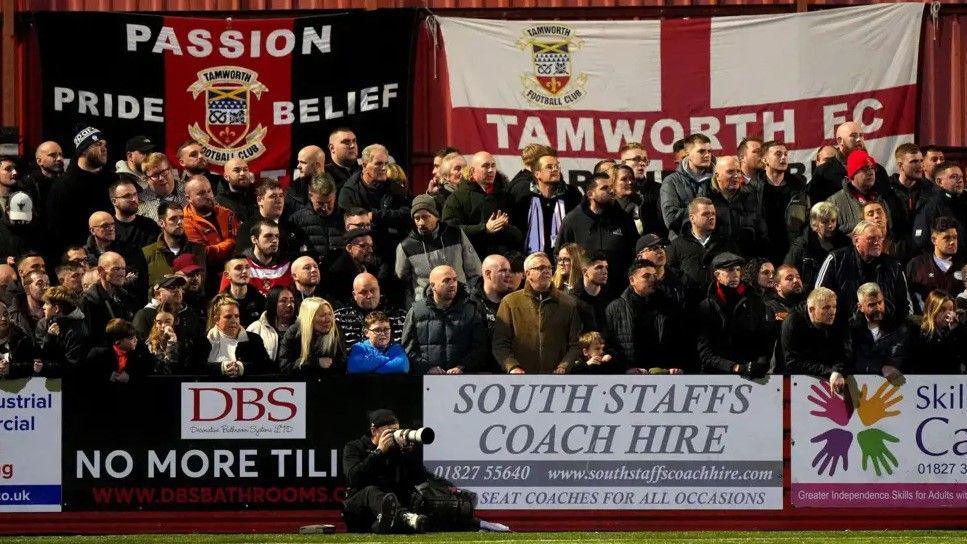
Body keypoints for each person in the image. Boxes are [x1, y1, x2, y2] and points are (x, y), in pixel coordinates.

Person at [342, 410, 439, 533]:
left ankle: (387, 525)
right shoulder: (355, 447)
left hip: (390, 507)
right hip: (361, 507)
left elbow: (417, 479)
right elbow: (353, 478)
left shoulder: (397, 451)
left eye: (396, 431)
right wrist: (379, 452)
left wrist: (409, 455)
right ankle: (404, 517)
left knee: (415, 497)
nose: (394, 436)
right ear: (374, 430)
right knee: (371, 491)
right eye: (390, 432)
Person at [491, 252, 582, 374]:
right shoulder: (510, 302)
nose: (547, 271)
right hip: (520, 380)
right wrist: (512, 367)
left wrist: (564, 365)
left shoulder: (568, 303)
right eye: (540, 268)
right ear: (528, 274)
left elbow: (575, 344)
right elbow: (500, 343)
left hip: (557, 380)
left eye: (549, 268)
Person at [555, 173, 637, 296]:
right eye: (604, 188)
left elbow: (634, 252)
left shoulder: (624, 219)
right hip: (582, 294)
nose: (611, 191)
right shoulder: (573, 220)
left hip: (618, 293)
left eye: (611, 187)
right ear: (590, 194)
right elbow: (560, 253)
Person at [696, 253, 776, 377]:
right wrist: (735, 367)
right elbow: (706, 353)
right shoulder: (707, 306)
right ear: (718, 275)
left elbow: (764, 338)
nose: (735, 274)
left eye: (738, 269)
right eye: (729, 270)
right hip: (716, 376)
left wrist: (759, 364)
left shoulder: (754, 300)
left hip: (751, 373)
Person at [816, 220, 912, 324]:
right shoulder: (835, 260)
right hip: (845, 329)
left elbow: (905, 304)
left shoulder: (893, 265)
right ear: (856, 240)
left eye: (880, 238)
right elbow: (819, 296)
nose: (877, 242)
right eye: (872, 238)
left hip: (885, 329)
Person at [605, 258, 688, 374]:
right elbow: (610, 344)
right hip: (630, 376)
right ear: (632, 280)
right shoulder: (615, 308)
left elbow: (681, 339)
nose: (652, 280)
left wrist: (676, 365)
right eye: (646, 276)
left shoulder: (669, 305)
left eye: (654, 276)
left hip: (665, 373)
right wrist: (625, 368)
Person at [396, 194, 482, 305]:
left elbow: (474, 269)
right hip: (426, 304)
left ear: (436, 216)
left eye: (425, 217)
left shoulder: (455, 235)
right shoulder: (406, 246)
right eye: (417, 218)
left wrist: (471, 294)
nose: (421, 223)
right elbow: (402, 277)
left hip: (460, 300)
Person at [402, 265, 488, 375]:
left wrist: (462, 367)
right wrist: (427, 368)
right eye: (446, 281)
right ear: (433, 286)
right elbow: (407, 349)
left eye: (455, 280)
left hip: (463, 381)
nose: (453, 284)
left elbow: (480, 347)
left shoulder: (471, 310)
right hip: (427, 382)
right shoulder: (417, 311)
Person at [46, 126, 114, 253]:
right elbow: (56, 230)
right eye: (98, 144)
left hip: (112, 251)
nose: (104, 149)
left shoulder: (112, 180)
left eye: (105, 144)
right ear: (83, 150)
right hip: (78, 256)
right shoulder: (62, 187)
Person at [442, 151, 522, 257]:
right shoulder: (457, 198)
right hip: (471, 261)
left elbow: (519, 235)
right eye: (485, 166)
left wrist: (507, 228)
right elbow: (449, 230)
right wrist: (484, 229)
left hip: (503, 261)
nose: (491, 170)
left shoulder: (506, 196)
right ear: (472, 171)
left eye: (493, 166)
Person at [338, 144, 411, 254]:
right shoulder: (349, 191)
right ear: (364, 165)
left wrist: (376, 216)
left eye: (386, 163)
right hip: (363, 252)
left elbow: (407, 213)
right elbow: (349, 226)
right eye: (378, 164)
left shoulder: (394, 187)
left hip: (393, 249)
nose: (384, 168)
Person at [509, 150, 581, 255]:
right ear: (537, 174)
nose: (555, 169)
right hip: (529, 260)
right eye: (549, 167)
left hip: (563, 260)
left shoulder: (571, 194)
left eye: (557, 166)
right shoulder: (524, 196)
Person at [666, 197, 739, 297]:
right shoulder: (677, 245)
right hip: (690, 303)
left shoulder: (726, 242)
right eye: (706, 214)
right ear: (692, 218)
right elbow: (669, 274)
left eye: (713, 214)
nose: (711, 217)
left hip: (721, 302)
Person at [782, 287, 852, 392]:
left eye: (834, 306)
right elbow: (792, 361)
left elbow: (845, 350)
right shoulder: (793, 322)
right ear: (812, 309)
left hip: (831, 373)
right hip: (800, 381)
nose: (832, 312)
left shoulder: (838, 318)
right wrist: (829, 371)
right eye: (826, 308)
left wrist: (838, 370)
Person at [808, 121, 890, 204]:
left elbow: (889, 203)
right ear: (840, 141)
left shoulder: (878, 170)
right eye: (853, 136)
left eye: (861, 135)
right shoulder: (823, 172)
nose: (859, 140)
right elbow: (817, 210)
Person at [753, 141, 809, 263]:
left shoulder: (798, 187)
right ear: (765, 160)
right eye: (778, 154)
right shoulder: (753, 188)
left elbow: (807, 220)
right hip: (762, 255)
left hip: (793, 252)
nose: (783, 157)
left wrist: (799, 246)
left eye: (785, 154)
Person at [183, 174, 239, 293]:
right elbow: (204, 253)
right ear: (188, 198)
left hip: (232, 276)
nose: (208, 196)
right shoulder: (185, 222)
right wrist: (230, 242)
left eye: (209, 191)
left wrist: (230, 244)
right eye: (201, 193)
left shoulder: (227, 213)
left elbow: (238, 245)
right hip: (206, 281)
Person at [83, 211, 150, 304]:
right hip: (96, 303)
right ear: (92, 230)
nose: (111, 229)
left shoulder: (130, 250)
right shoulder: (84, 254)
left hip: (127, 302)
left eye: (113, 225)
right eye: (105, 226)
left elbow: (138, 277)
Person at [707, 156, 768, 257]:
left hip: (747, 263)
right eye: (730, 172)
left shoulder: (752, 198)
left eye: (738, 171)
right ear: (717, 176)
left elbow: (762, 235)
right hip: (717, 265)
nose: (736, 176)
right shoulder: (707, 199)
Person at [850, 282, 910, 384]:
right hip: (858, 385)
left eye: (880, 302)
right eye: (872, 305)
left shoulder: (898, 326)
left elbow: (895, 359)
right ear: (860, 307)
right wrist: (880, 368)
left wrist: (883, 367)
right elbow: (851, 360)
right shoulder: (851, 328)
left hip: (893, 386)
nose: (878, 308)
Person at [142, 201, 207, 290]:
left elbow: (201, 285)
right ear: (161, 223)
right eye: (173, 219)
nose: (180, 222)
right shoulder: (147, 253)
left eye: (181, 217)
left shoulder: (197, 249)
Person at [334, 272, 406, 350]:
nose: (369, 295)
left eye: (373, 290)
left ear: (379, 290)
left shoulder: (399, 316)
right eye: (364, 292)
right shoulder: (340, 318)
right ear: (354, 295)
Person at [785, 202, 849, 289]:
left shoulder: (845, 244)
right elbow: (787, 271)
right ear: (815, 224)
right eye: (825, 222)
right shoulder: (802, 246)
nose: (830, 226)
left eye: (833, 220)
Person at [660, 133, 713, 239]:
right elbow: (670, 219)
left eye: (709, 151)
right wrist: (702, 212)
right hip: (684, 244)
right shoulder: (671, 182)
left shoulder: (717, 177)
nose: (707, 155)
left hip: (714, 243)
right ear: (688, 154)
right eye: (701, 151)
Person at [906, 216, 964, 311]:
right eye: (947, 238)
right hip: (925, 322)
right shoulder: (917, 265)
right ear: (934, 240)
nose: (952, 242)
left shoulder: (963, 265)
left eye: (955, 237)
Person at [206, 294, 271, 377]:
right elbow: (195, 368)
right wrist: (221, 368)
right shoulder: (204, 340)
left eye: (236, 316)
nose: (234, 321)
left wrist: (242, 368)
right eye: (228, 317)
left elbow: (267, 366)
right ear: (216, 319)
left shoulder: (254, 339)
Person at [81, 252, 139, 346]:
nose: (121, 273)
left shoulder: (125, 297)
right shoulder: (88, 300)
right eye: (116, 269)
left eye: (123, 269)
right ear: (101, 271)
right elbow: (87, 337)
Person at [279, 297, 345, 376]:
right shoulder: (293, 333)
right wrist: (315, 363)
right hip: (301, 385)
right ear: (309, 318)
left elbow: (342, 363)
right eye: (322, 315)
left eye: (330, 314)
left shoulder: (336, 331)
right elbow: (285, 366)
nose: (328, 319)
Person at [289, 172, 345, 266]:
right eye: (320, 203)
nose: (325, 208)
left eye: (329, 202)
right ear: (310, 195)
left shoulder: (346, 217)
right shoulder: (297, 220)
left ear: (335, 195)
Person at [328, 228, 396, 304]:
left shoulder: (372, 266)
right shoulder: (338, 272)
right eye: (363, 246)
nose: (371, 250)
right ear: (349, 248)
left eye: (371, 246)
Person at [913, 162, 967, 253]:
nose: (960, 180)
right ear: (939, 182)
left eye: (961, 177)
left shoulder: (964, 199)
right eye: (954, 177)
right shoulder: (930, 205)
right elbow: (921, 240)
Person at [909, 290, 965, 374]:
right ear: (933, 310)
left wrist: (957, 329)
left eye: (951, 309)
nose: (948, 313)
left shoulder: (955, 330)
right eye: (943, 310)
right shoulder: (919, 331)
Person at [85, 318, 152, 383]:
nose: (136, 340)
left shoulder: (138, 353)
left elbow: (144, 372)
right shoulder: (98, 354)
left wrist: (129, 377)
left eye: (135, 337)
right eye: (131, 338)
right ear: (118, 342)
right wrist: (109, 376)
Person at [889, 143, 934, 239]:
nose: (920, 165)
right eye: (914, 161)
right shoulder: (887, 190)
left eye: (921, 161)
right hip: (895, 250)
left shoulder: (931, 190)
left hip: (923, 249)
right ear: (900, 165)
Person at [619, 143, 665, 236]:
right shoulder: (614, 190)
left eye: (645, 160)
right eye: (636, 159)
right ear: (623, 163)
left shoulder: (660, 190)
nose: (642, 163)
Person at [246, 285, 296, 364]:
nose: (290, 305)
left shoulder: (301, 327)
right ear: (273, 303)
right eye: (283, 301)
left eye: (292, 301)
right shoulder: (256, 328)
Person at [569, 252, 614, 332]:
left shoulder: (611, 299)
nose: (605, 272)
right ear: (584, 271)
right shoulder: (572, 301)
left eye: (606, 267)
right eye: (599, 267)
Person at [138, 153, 185, 222]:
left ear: (171, 169)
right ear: (146, 178)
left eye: (164, 171)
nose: (161, 178)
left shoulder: (189, 190)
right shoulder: (139, 203)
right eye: (154, 175)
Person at [220, 258, 265, 326]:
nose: (244, 271)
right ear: (227, 275)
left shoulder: (261, 300)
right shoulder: (220, 302)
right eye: (238, 268)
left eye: (247, 267)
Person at [0, 299, 36, 379]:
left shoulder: (22, 337)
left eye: (5, 314)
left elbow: (33, 366)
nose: (3, 318)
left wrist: (10, 369)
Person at [215, 158, 258, 224]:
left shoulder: (258, 194)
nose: (242, 173)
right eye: (237, 171)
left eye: (245, 170)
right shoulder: (219, 203)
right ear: (226, 177)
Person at [286, 145, 327, 212]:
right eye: (298, 162)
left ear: (317, 165)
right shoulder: (292, 190)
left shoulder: (337, 186)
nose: (298, 166)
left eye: (303, 162)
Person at [145, 303, 182, 374]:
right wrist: (171, 343)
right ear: (155, 323)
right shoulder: (151, 341)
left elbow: (175, 368)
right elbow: (166, 370)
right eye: (159, 322)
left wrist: (172, 341)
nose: (163, 326)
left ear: (176, 321)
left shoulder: (184, 340)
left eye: (168, 322)